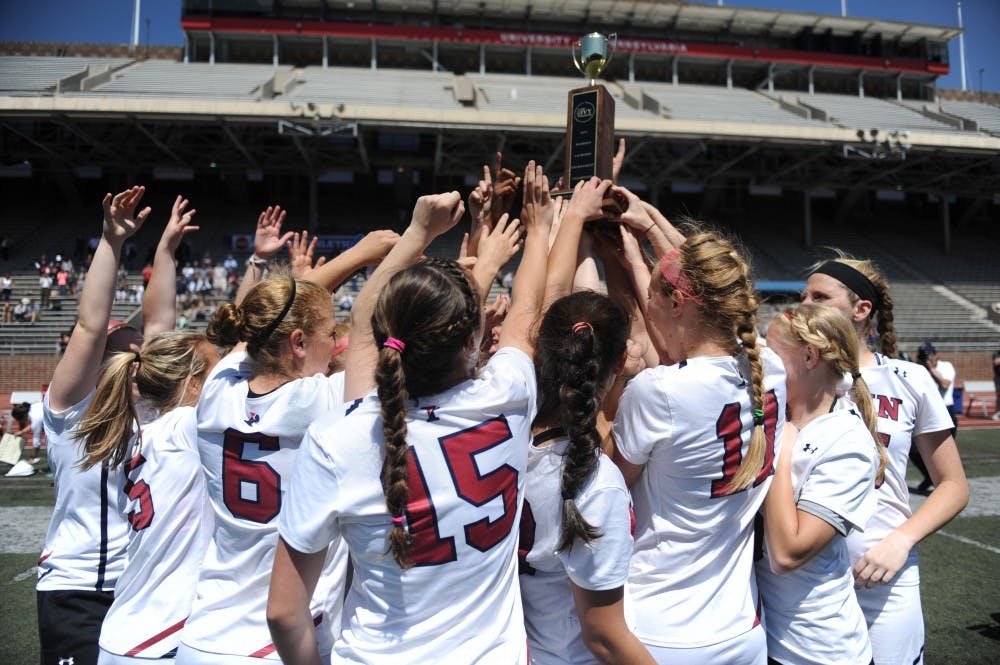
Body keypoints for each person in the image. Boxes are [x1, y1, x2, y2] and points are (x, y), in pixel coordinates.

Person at [266, 184, 546, 664]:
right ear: (474, 338)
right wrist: (542, 225)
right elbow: (527, 312)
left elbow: (284, 614)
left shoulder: (341, 435)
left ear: (386, 336)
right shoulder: (510, 396)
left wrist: (417, 232)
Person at [176, 206, 398, 664]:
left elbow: (263, 319)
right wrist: (393, 247)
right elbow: (362, 333)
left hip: (202, 637)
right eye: (323, 335)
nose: (332, 345)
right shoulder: (325, 401)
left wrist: (357, 254)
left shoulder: (218, 388)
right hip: (278, 645)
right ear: (297, 342)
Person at [611, 209, 786, 664]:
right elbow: (711, 289)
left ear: (677, 304)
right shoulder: (774, 371)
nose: (646, 306)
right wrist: (646, 237)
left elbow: (609, 482)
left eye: (651, 296)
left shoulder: (658, 392)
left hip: (659, 630)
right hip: (742, 629)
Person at [802, 258, 968, 665]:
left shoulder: (908, 378)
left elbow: (953, 484)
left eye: (820, 297)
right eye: (802, 295)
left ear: (861, 310)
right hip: (802, 579)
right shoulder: (788, 373)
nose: (804, 305)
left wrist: (900, 542)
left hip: (884, 578)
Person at [37, 186, 150, 665]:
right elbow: (89, 327)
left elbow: (162, 320)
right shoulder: (68, 413)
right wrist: (111, 242)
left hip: (142, 586)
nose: (137, 353)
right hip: (78, 591)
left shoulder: (153, 415)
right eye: (124, 345)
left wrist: (163, 250)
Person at [72, 330, 219, 664]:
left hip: (123, 630)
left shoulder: (147, 434)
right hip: (162, 635)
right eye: (218, 368)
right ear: (191, 383)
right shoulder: (186, 425)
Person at [757, 304, 887, 665]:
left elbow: (787, 554)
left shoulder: (847, 441)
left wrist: (779, 449)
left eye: (772, 353)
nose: (763, 362)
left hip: (814, 650)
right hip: (762, 637)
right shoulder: (775, 413)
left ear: (810, 356)